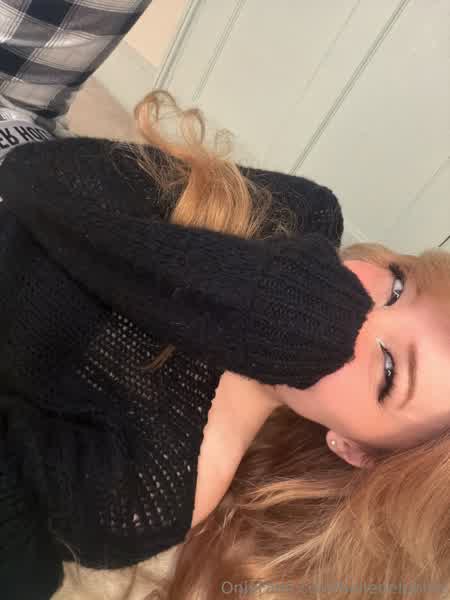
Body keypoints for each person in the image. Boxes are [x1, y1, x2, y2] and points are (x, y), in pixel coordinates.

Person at [0, 5, 449, 600]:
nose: (362, 311)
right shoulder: (300, 219)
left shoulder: (154, 492)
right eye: (396, 285)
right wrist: (243, 288)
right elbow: (32, 176)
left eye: (389, 371)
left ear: (353, 448)